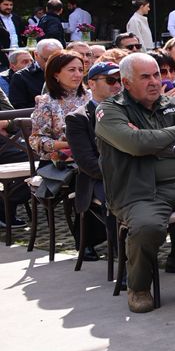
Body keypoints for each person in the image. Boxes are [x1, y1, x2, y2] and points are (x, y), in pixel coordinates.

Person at [96, 53, 175, 313]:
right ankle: (138, 288)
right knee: (147, 227)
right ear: (126, 82)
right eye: (145, 77)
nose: (155, 82)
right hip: (138, 190)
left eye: (157, 75)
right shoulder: (110, 109)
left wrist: (152, 141)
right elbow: (135, 145)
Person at [65, 61, 121, 260]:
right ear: (92, 84)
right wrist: (122, 173)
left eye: (120, 80)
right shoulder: (77, 118)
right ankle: (124, 259)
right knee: (119, 197)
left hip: (134, 171)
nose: (117, 85)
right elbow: (87, 162)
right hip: (100, 177)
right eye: (111, 80)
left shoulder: (131, 109)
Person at [27, 52, 90, 165]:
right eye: (72, 70)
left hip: (94, 157)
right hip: (61, 164)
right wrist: (70, 145)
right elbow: (36, 140)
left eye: (80, 70)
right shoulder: (46, 101)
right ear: (56, 75)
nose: (78, 74)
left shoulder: (92, 97)